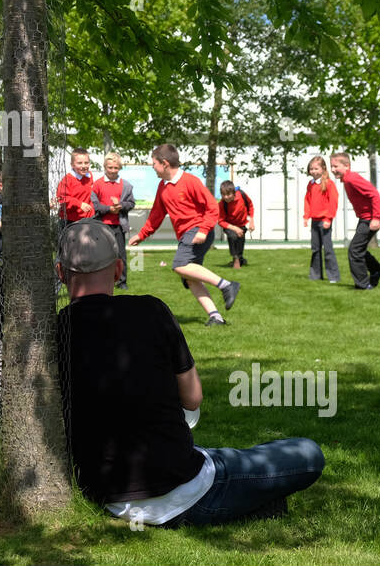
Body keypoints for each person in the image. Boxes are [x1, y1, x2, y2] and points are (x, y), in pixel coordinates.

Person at [56, 221, 324, 527]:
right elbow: (193, 398)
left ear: (61, 273)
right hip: (183, 486)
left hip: (109, 494)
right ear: (118, 270)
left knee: (220, 457)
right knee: (307, 452)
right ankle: (249, 501)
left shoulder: (55, 332)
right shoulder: (151, 311)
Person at [128, 143, 238, 326]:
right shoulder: (163, 187)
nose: (152, 167)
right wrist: (142, 234)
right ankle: (216, 317)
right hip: (187, 234)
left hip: (197, 230)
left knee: (180, 265)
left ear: (164, 163)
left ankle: (227, 285)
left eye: (153, 163)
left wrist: (203, 231)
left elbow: (212, 207)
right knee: (190, 276)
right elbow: (156, 215)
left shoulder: (190, 181)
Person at [330, 152, 380, 290]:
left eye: (336, 166)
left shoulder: (352, 179)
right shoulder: (347, 179)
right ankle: (376, 269)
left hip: (371, 219)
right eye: (331, 166)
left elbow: (374, 194)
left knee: (354, 250)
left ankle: (363, 284)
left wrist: (376, 218)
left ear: (347, 165)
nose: (332, 169)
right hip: (365, 218)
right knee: (358, 249)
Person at [90, 153, 135, 289]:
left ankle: (122, 282)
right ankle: (100, 280)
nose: (113, 170)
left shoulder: (125, 185)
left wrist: (121, 206)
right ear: (105, 167)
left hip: (118, 226)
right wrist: (109, 209)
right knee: (101, 254)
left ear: (120, 168)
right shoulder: (97, 185)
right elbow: (94, 205)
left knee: (121, 255)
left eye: (116, 167)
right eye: (110, 167)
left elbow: (131, 203)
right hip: (101, 225)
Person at [303, 155, 340, 283]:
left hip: (325, 221)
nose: (313, 171)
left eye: (316, 168)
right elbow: (307, 200)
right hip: (315, 220)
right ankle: (315, 275)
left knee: (328, 249)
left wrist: (328, 218)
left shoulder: (329, 184)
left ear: (323, 168)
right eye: (311, 169)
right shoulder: (311, 184)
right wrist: (306, 216)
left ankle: (333, 276)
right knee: (315, 249)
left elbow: (333, 202)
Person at [217, 180, 255, 271]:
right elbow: (220, 221)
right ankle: (236, 259)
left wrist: (251, 220)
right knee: (233, 236)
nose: (226, 197)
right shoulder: (222, 204)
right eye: (223, 195)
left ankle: (240, 259)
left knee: (240, 242)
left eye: (228, 194)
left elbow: (250, 206)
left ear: (234, 193)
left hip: (241, 224)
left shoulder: (242, 195)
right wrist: (234, 228)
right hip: (230, 225)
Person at [55, 148, 95, 225]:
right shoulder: (67, 180)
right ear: (72, 165)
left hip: (88, 219)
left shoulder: (89, 176)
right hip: (71, 220)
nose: (83, 166)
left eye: (86, 163)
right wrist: (79, 204)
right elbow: (62, 198)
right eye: (79, 163)